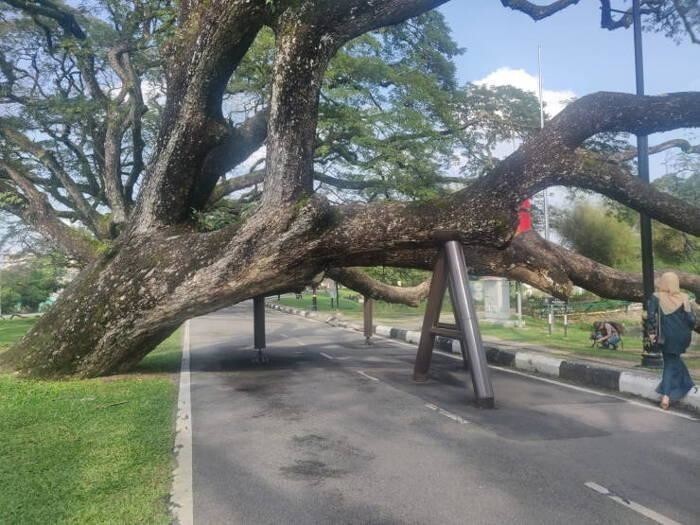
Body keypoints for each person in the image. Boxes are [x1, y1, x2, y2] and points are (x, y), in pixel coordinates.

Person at [647, 272, 696, 410]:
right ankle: (688, 384)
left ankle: (666, 396)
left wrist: (651, 333)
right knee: (674, 360)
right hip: (682, 336)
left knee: (669, 363)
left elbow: (651, 317)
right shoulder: (685, 298)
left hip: (666, 336)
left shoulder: (656, 297)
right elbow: (691, 320)